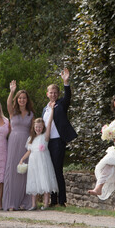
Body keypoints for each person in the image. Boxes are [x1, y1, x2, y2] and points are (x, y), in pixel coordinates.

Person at [42, 68, 77, 207]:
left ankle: (61, 200)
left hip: (58, 142)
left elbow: (68, 96)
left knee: (57, 170)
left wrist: (66, 82)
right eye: (51, 92)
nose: (53, 94)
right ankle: (53, 199)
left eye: (55, 92)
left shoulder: (61, 104)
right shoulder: (45, 109)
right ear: (47, 94)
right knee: (49, 171)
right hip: (46, 143)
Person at [19, 105, 58, 211]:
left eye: (40, 127)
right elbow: (29, 151)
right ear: (34, 128)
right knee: (34, 181)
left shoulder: (45, 136)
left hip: (43, 162)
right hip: (33, 162)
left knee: (44, 180)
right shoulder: (31, 138)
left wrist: (52, 111)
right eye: (36, 127)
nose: (38, 129)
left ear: (43, 127)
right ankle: (33, 204)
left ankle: (46, 203)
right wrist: (22, 159)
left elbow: (49, 123)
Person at [2, 81, 33, 211]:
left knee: (25, 171)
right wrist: (12, 91)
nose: (22, 100)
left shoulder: (31, 114)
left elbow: (33, 130)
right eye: (20, 98)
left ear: (27, 100)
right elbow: (8, 103)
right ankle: (11, 202)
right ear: (17, 99)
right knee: (12, 170)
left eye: (24, 98)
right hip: (13, 142)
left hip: (26, 143)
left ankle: (24, 202)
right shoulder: (12, 112)